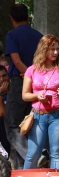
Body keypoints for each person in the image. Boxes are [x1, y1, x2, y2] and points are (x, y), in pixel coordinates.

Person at [4, 3, 44, 169]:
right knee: (30, 125)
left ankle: (35, 155)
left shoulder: (12, 35)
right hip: (40, 83)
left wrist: (28, 76)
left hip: (21, 82)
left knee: (13, 125)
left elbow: (16, 60)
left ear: (11, 18)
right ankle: (24, 169)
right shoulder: (39, 36)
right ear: (28, 17)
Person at [22, 34, 59, 169]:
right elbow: (25, 95)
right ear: (44, 49)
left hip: (56, 115)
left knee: (56, 153)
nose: (56, 52)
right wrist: (37, 96)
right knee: (33, 153)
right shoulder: (32, 70)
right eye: (52, 49)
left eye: (57, 49)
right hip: (37, 115)